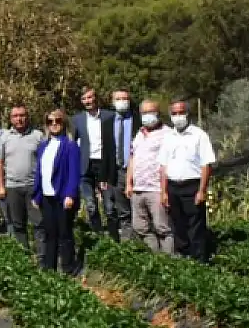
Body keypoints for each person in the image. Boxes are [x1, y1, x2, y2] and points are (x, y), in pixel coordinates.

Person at [158, 99, 215, 262]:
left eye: (181, 112)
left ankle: (199, 260)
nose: (178, 116)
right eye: (174, 113)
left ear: (188, 114)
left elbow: (206, 165)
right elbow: (163, 166)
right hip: (173, 186)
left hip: (192, 186)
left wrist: (202, 190)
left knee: (195, 225)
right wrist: (163, 192)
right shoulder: (168, 137)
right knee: (178, 224)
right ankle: (183, 258)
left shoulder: (199, 136)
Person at [32, 109, 81, 274]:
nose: (54, 124)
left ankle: (68, 268)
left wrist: (70, 194)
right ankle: (49, 268)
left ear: (64, 123)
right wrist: (37, 194)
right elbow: (40, 172)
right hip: (47, 197)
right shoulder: (43, 146)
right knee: (50, 233)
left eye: (57, 121)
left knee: (64, 233)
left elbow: (74, 173)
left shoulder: (70, 146)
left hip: (62, 197)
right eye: (50, 121)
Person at [125, 99, 173, 254]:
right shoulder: (139, 134)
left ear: (158, 113)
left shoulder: (168, 134)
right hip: (138, 189)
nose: (148, 116)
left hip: (156, 189)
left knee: (162, 227)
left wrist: (165, 190)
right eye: (144, 113)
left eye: (151, 112)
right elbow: (132, 158)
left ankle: (169, 261)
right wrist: (129, 183)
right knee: (140, 227)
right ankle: (155, 256)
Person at [71, 88, 118, 239]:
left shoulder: (109, 116)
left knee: (109, 206)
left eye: (90, 97)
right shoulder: (77, 119)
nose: (88, 101)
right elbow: (72, 142)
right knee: (90, 205)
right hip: (85, 166)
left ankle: (113, 238)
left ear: (96, 98)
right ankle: (98, 236)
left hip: (104, 165)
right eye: (84, 99)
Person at [0, 105, 44, 253]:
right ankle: (25, 256)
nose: (19, 119)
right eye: (15, 116)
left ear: (27, 116)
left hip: (33, 187)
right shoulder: (4, 137)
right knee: (18, 224)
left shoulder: (38, 136)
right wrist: (0, 186)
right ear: (11, 119)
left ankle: (43, 257)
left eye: (22, 115)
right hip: (12, 187)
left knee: (39, 223)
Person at [109, 89, 139, 240]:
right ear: (113, 102)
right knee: (122, 211)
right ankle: (127, 246)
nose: (122, 101)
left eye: (125, 98)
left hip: (136, 170)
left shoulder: (137, 119)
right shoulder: (107, 120)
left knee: (139, 210)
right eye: (118, 98)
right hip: (117, 171)